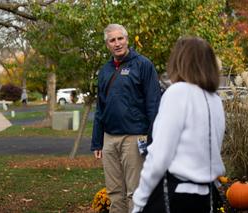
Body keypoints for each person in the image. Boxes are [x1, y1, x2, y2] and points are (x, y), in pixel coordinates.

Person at [132, 36, 226, 213]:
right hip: (207, 197)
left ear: (180, 61)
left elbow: (159, 156)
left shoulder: (178, 92)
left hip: (175, 197)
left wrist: (139, 202)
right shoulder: (215, 100)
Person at [91, 23, 161, 213]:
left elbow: (153, 104)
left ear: (127, 39)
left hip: (134, 138)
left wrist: (152, 139)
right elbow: (100, 107)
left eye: (120, 38)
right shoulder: (105, 70)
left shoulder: (143, 65)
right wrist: (97, 142)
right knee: (114, 192)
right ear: (107, 44)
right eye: (112, 40)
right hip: (109, 139)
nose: (117, 43)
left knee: (135, 192)